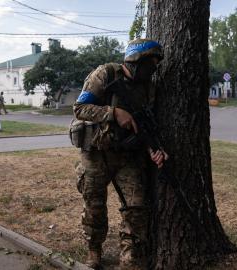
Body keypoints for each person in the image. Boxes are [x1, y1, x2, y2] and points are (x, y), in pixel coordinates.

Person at [72, 39, 168, 269]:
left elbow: (143, 127)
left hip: (128, 156)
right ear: (135, 61)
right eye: (149, 65)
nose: (152, 71)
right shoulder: (105, 74)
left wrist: (154, 149)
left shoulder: (148, 88)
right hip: (96, 153)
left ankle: (129, 255)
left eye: (155, 66)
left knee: (136, 206)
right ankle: (94, 249)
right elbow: (80, 109)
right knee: (94, 205)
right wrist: (114, 113)